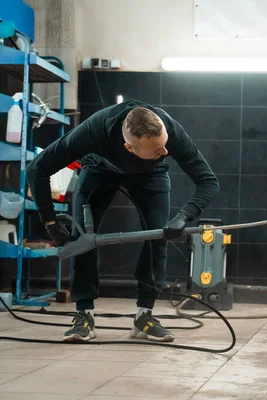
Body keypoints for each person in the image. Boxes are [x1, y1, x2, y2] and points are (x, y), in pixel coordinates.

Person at [26, 99, 219, 343]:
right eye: (157, 150)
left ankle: (144, 316)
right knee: (83, 240)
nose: (166, 152)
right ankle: (83, 315)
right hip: (99, 170)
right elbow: (37, 169)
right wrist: (50, 223)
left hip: (151, 175)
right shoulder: (92, 132)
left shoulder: (169, 133)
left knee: (157, 237)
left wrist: (184, 216)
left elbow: (208, 181)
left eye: (164, 145)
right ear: (129, 147)